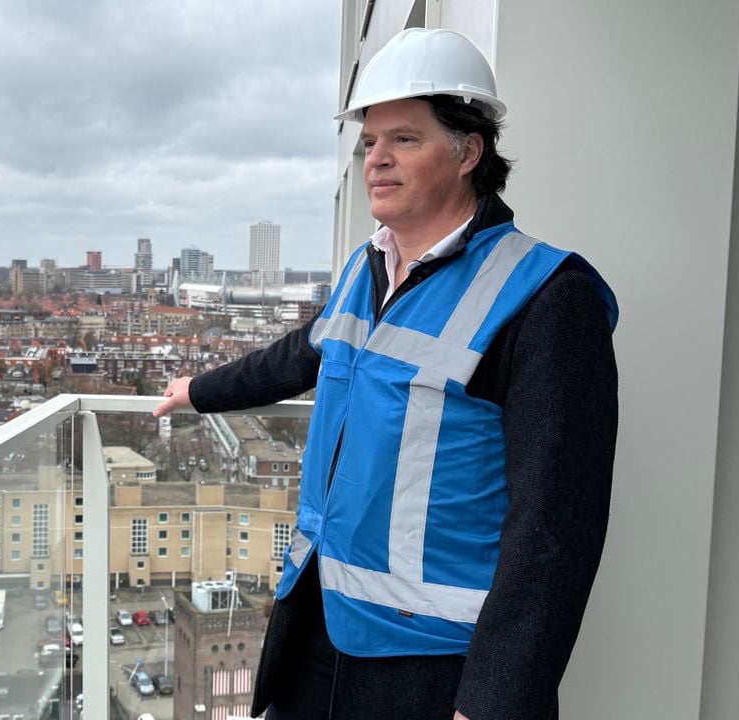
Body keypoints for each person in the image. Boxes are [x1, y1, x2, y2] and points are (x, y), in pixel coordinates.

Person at [153, 28, 618, 720]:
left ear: (468, 151)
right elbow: (303, 355)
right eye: (369, 142)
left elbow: (555, 530)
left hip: (430, 665)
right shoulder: (367, 268)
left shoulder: (546, 297)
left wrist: (491, 702)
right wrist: (197, 391)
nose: (376, 159)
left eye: (403, 139)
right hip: (318, 625)